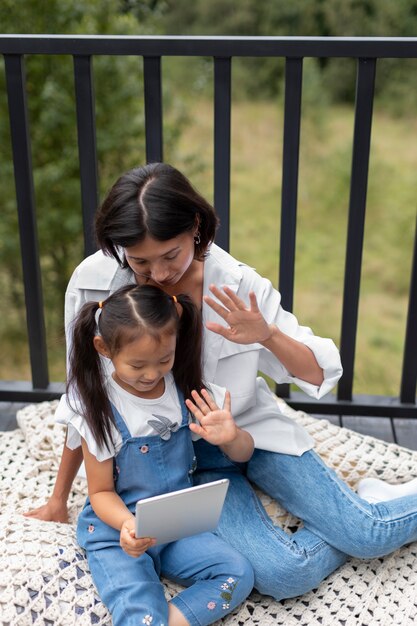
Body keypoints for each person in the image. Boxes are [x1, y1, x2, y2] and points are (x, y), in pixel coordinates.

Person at [26, 162, 417, 601]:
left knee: (368, 535)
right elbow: (87, 396)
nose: (158, 275)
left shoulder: (237, 285)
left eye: (170, 256)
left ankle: (365, 510)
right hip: (189, 468)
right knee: (283, 575)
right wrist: (59, 500)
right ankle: (354, 514)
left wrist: (267, 334)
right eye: (139, 262)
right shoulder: (94, 285)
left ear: (196, 227)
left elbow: (318, 371)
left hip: (253, 436)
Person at [65, 282, 254, 626]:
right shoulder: (98, 409)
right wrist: (127, 525)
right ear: (104, 348)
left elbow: (244, 453)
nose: (152, 374)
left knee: (237, 572)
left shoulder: (189, 390)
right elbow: (101, 492)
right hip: (118, 533)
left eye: (164, 359)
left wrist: (232, 436)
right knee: (140, 612)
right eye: (137, 365)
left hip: (175, 524)